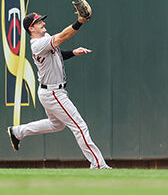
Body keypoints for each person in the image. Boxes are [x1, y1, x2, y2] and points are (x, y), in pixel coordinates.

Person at [7, 12, 111, 170]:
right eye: (39, 22)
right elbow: (63, 36)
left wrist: (73, 53)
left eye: (42, 20)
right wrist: (79, 22)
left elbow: (57, 54)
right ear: (31, 28)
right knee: (79, 126)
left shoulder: (44, 39)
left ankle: (18, 131)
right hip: (53, 93)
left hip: (51, 92)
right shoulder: (37, 44)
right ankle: (98, 164)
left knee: (56, 125)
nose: (43, 23)